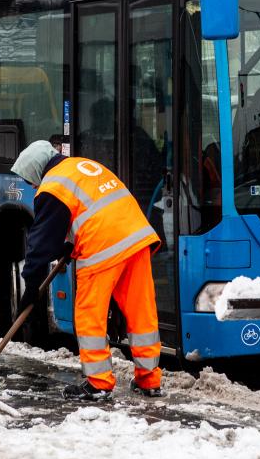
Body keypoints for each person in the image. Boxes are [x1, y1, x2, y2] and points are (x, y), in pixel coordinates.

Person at [11, 138, 164, 400]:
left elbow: (39, 245)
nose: (33, 186)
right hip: (136, 238)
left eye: (30, 180)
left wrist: (31, 286)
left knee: (89, 315)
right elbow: (91, 210)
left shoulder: (52, 186)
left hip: (103, 247)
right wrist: (69, 246)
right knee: (142, 313)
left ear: (37, 170)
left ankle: (99, 383)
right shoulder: (81, 166)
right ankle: (149, 380)